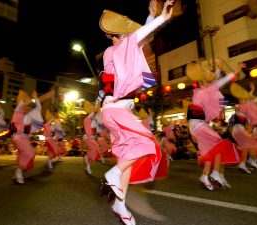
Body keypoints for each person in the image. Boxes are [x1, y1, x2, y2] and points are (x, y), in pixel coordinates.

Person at [99, 1, 176, 224]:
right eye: (123, 33)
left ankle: (120, 206)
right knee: (147, 144)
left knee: (128, 159)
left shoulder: (118, 50)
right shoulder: (114, 49)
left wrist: (151, 18)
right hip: (116, 111)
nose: (128, 36)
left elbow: (137, 39)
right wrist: (161, 18)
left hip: (115, 111)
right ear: (115, 35)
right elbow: (135, 39)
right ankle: (113, 174)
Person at [186, 61, 241, 190]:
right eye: (207, 82)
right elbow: (217, 83)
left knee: (212, 151)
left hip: (197, 126)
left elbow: (214, 83)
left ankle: (205, 176)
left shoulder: (201, 92)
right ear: (202, 83)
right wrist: (235, 71)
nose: (210, 83)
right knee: (221, 144)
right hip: (198, 125)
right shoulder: (202, 92)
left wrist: (217, 70)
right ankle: (216, 174)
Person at [11, 90, 36, 184]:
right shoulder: (17, 112)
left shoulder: (28, 115)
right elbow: (21, 105)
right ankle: (18, 172)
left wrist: (35, 99)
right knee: (30, 152)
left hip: (24, 138)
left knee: (27, 154)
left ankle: (18, 172)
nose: (27, 107)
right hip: (17, 137)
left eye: (29, 106)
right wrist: (24, 99)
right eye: (26, 106)